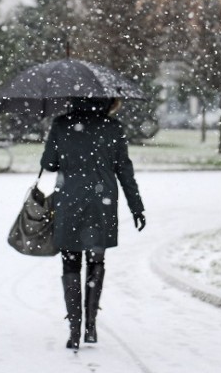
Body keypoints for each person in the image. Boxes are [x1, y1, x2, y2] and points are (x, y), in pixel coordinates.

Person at [40, 98, 146, 350]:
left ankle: (74, 329)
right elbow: (124, 170)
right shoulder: (113, 128)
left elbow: (49, 164)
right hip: (102, 202)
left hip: (69, 200)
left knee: (70, 261)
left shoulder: (61, 124)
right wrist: (136, 206)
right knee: (96, 260)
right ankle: (91, 325)